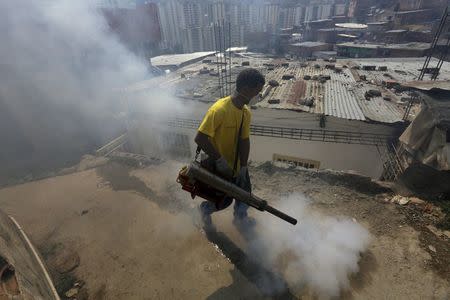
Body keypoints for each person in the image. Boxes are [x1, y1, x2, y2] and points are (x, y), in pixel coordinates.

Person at [194, 68, 265, 227]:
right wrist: (220, 161)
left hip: (237, 166)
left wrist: (244, 167)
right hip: (219, 167)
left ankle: (240, 218)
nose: (258, 96)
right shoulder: (219, 109)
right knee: (223, 201)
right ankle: (205, 209)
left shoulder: (246, 112)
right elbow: (200, 138)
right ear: (246, 89)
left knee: (245, 195)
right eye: (257, 92)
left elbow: (244, 140)